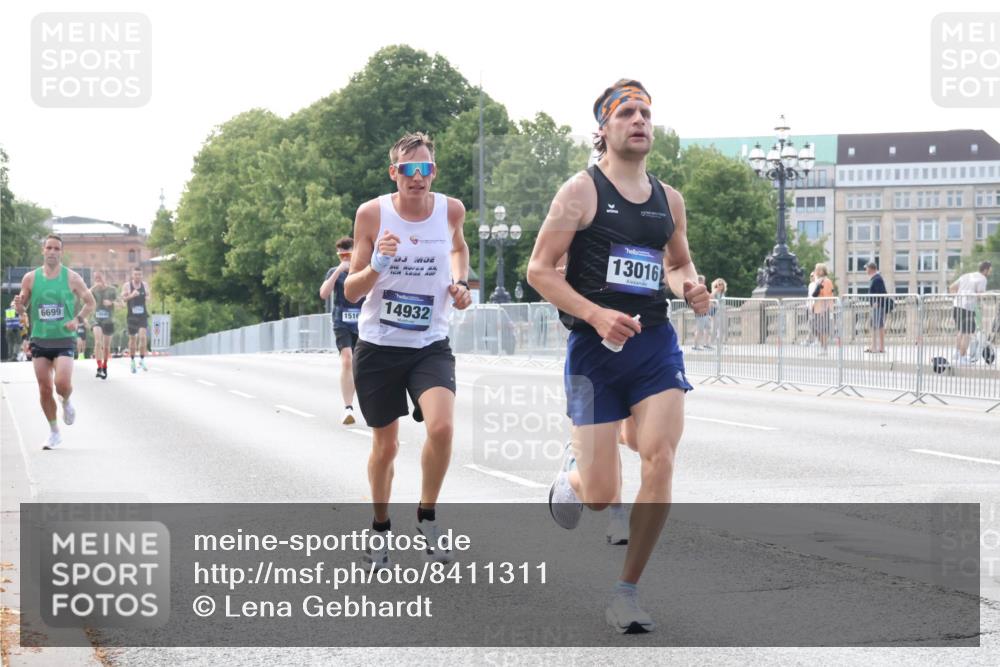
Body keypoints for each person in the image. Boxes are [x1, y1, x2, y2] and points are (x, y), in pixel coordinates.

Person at [527, 79, 710, 634]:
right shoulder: (579, 193)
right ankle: (576, 478)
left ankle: (626, 591)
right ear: (603, 128)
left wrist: (690, 288)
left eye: (646, 113)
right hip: (595, 351)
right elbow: (538, 270)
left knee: (661, 458)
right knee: (604, 492)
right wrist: (595, 314)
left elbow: (677, 264)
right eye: (627, 112)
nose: (640, 121)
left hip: (654, 343)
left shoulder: (668, 199)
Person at [344, 132, 472, 569]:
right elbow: (351, 289)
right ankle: (380, 527)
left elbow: (458, 246)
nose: (417, 178)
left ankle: (427, 515)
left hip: (429, 343)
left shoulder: (451, 209)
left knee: (441, 428)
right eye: (408, 169)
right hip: (379, 347)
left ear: (433, 172)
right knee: (386, 446)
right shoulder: (372, 215)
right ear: (394, 172)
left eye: (425, 169)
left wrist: (459, 282)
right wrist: (378, 264)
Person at [12, 234, 96, 449]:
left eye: (56, 248)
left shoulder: (72, 278)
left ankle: (66, 401)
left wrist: (77, 320)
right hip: (40, 338)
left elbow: (90, 302)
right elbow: (23, 306)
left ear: (61, 252)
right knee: (44, 389)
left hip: (64, 338)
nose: (52, 251)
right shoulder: (30, 278)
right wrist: (19, 306)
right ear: (43, 251)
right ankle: (54, 431)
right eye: (48, 248)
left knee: (62, 384)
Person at [319, 237, 365, 424]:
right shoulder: (334, 271)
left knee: (362, 366)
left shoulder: (364, 270)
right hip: (342, 321)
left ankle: (367, 402)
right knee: (347, 360)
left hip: (363, 323)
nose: (344, 258)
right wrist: (340, 270)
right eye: (341, 255)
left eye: (348, 254)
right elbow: (323, 293)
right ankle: (348, 408)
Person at [949, 260, 992, 363]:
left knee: (960, 331)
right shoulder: (982, 279)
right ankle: (962, 358)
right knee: (967, 333)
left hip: (957, 305)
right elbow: (980, 294)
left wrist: (958, 297)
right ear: (985, 270)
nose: (990, 272)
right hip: (967, 307)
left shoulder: (966, 275)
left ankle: (957, 354)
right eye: (990, 270)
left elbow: (951, 287)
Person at [121, 266, 151, 373]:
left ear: (142, 275)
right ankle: (132, 361)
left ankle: (142, 360)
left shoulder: (145, 285)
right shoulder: (127, 286)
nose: (138, 276)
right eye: (136, 274)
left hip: (142, 316)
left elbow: (148, 297)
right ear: (132, 275)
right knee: (133, 339)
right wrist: (132, 295)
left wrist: (147, 298)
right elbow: (123, 299)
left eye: (139, 274)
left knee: (143, 338)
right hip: (132, 317)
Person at [90, 271, 117, 379]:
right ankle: (99, 367)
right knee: (97, 342)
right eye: (96, 278)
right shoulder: (93, 290)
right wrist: (93, 287)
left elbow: (122, 303)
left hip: (109, 321)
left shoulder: (112, 290)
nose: (98, 280)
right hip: (96, 319)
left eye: (99, 277)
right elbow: (84, 296)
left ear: (104, 278)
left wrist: (112, 303)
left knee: (106, 347)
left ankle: (105, 366)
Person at [810, 263, 835, 355]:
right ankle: (822, 347)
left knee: (823, 329)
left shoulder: (826, 281)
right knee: (816, 329)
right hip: (817, 309)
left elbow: (827, 296)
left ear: (821, 271)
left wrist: (825, 309)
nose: (815, 271)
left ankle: (824, 349)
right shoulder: (818, 281)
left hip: (823, 310)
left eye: (816, 269)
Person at [865, 261, 889, 353]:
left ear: (871, 269)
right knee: (876, 326)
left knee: (877, 326)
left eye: (866, 268)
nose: (866, 270)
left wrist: (877, 302)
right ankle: (875, 346)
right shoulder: (875, 278)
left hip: (878, 307)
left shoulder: (877, 279)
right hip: (876, 307)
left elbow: (883, 293)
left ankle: (878, 347)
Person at [691, 275, 711, 350]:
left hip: (705, 313)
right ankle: (696, 345)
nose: (704, 282)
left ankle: (706, 344)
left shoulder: (702, 289)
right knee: (700, 330)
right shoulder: (696, 290)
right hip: (700, 313)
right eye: (703, 281)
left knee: (708, 328)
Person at [710, 277, 728, 344]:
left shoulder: (723, 293)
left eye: (721, 284)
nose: (720, 285)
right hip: (716, 312)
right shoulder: (715, 291)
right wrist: (715, 306)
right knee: (714, 327)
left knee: (722, 328)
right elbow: (710, 298)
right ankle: (712, 342)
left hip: (722, 312)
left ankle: (720, 342)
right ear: (716, 285)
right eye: (719, 284)